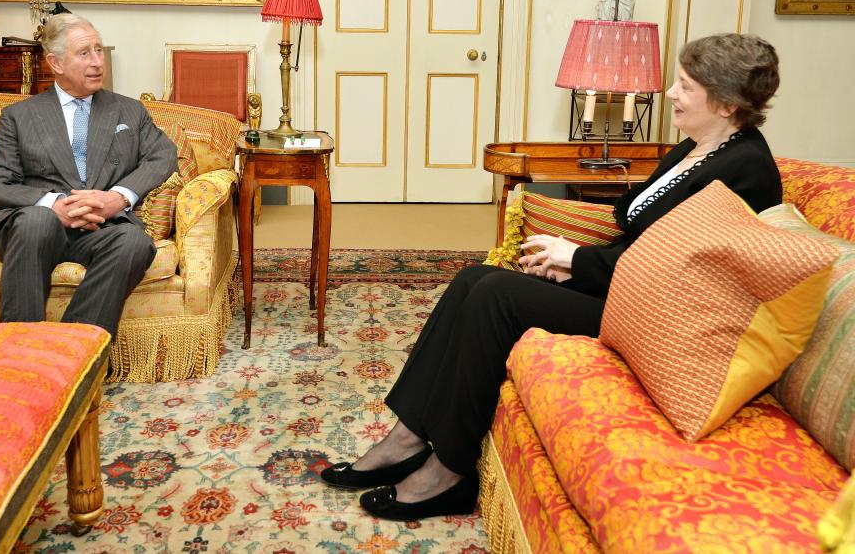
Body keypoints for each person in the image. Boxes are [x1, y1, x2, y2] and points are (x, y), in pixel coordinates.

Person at [320, 33, 784, 520]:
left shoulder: (746, 168)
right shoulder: (696, 147)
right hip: (621, 282)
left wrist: (577, 259)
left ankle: (450, 471)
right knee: (472, 280)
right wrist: (571, 256)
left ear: (727, 103)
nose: (669, 92)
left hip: (651, 310)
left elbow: (676, 266)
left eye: (686, 87)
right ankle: (408, 437)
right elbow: (635, 220)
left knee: (495, 296)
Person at [0, 13, 177, 337]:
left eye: (99, 50)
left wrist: (118, 198)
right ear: (55, 63)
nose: (98, 62)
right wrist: (55, 204)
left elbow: (163, 154)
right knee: (37, 222)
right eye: (84, 53)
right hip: (36, 225)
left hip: (103, 225)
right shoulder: (19, 116)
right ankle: (19, 352)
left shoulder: (129, 111)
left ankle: (75, 349)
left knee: (134, 243)